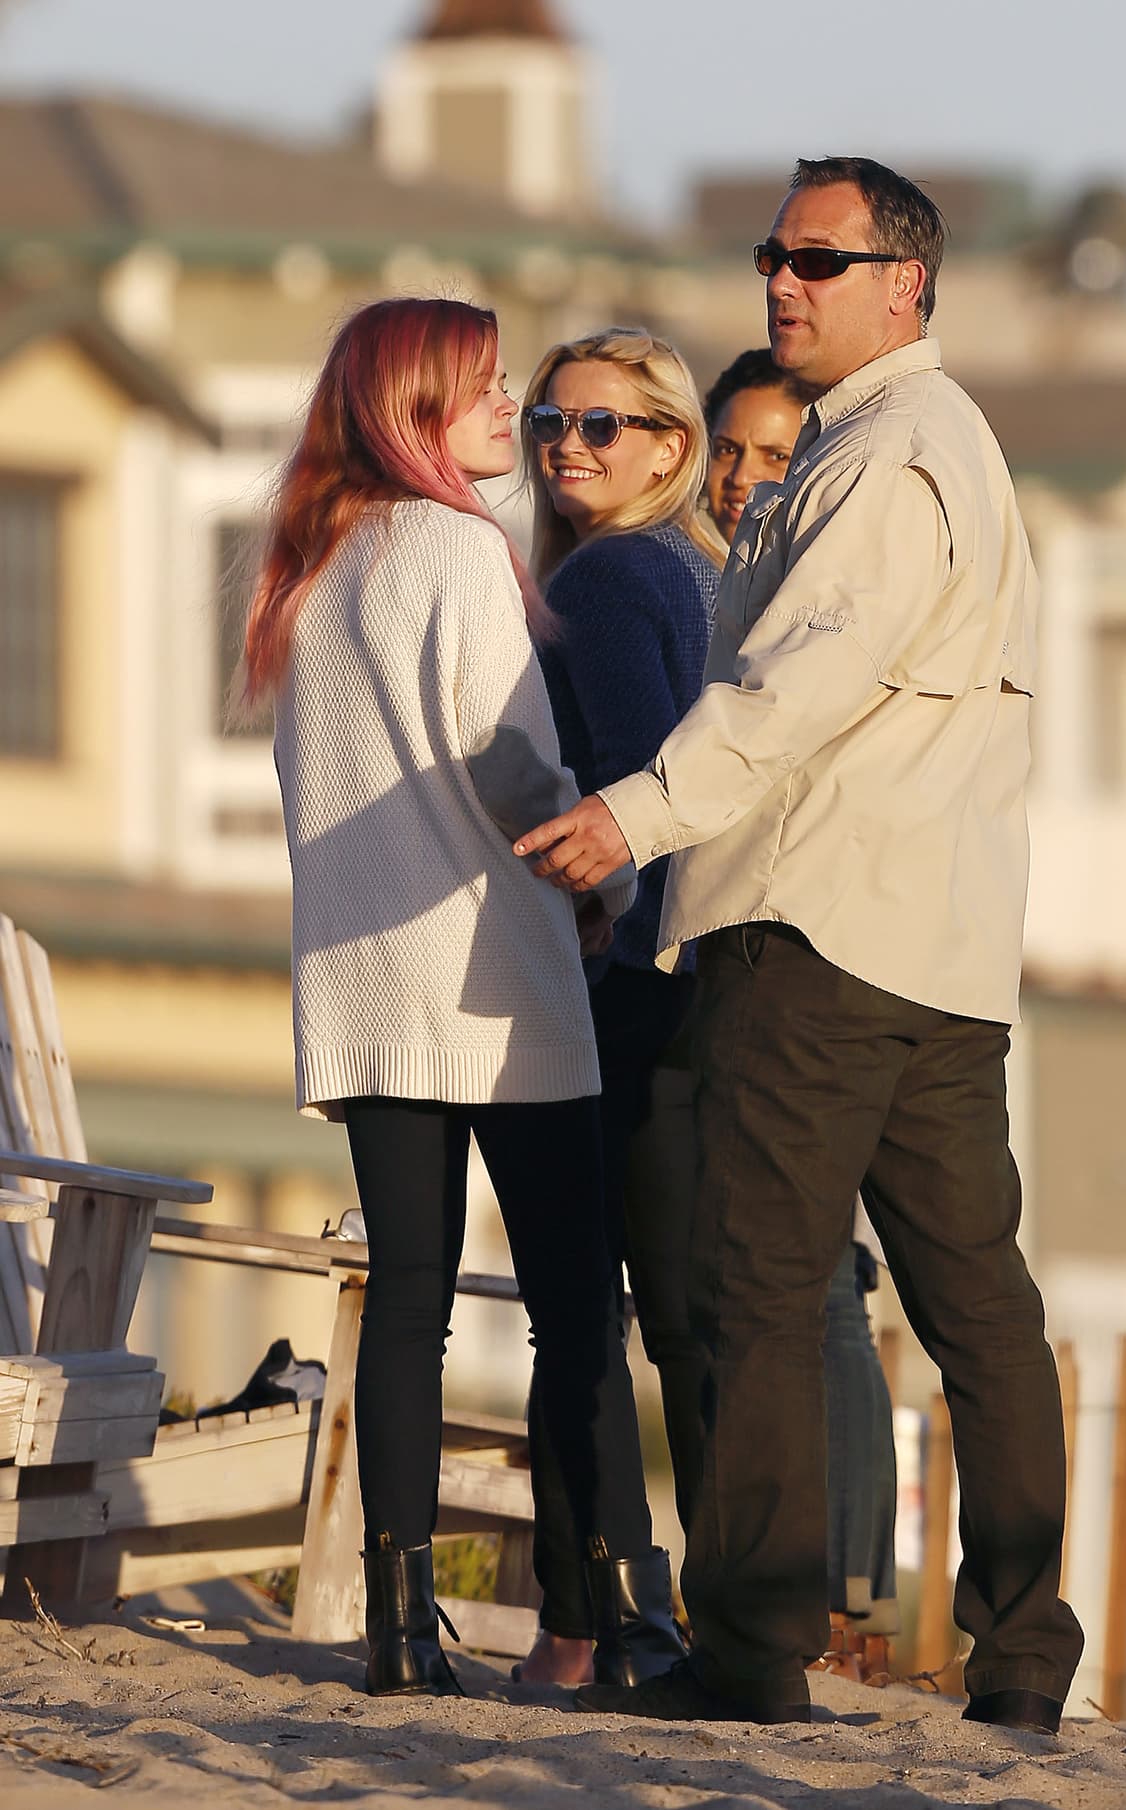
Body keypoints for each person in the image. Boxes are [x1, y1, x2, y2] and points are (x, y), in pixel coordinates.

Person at [513, 157, 1085, 1732]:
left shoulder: (896, 454)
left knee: (764, 1286)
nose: (782, 282)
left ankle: (758, 1653)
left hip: (826, 934)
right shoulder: (895, 448)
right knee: (977, 1304)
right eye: (773, 255)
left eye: (818, 261)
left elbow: (801, 687)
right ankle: (1023, 1654)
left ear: (907, 283)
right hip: (930, 947)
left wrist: (634, 815)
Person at [240, 296, 681, 1699]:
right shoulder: (457, 547)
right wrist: (593, 873)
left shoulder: (316, 565)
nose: (521, 416)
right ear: (418, 405)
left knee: (410, 1307)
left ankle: (398, 1621)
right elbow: (509, 757)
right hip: (492, 975)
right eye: (492, 390)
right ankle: (619, 1610)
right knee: (569, 1301)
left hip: (366, 979)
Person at [513, 327, 722, 1686]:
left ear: (668, 445)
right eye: (550, 419)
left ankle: (592, 1625)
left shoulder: (602, 580)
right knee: (700, 1315)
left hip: (625, 989)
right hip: (709, 982)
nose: (566, 445)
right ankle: (728, 1613)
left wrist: (610, 933)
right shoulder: (705, 574)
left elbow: (644, 786)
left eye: (602, 425)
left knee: (579, 1313)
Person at [704, 350, 899, 1683]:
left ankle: (846, 1596)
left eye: (773, 455)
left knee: (822, 1281)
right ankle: (821, 1591)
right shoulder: (723, 582)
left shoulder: (815, 594)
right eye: (730, 446)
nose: (742, 475)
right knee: (799, 1277)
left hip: (818, 957)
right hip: (737, 954)